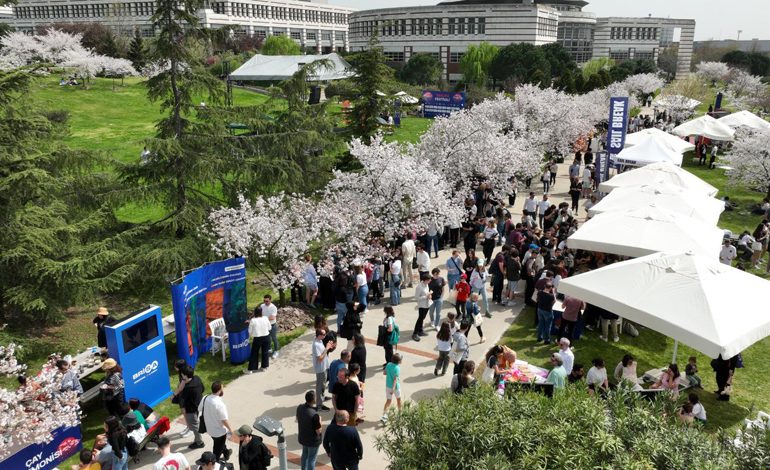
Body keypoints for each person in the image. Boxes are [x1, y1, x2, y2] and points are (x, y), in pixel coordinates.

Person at [199, 381, 234, 461]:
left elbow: (199, 409)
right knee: (216, 450)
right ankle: (214, 462)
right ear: (219, 390)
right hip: (219, 432)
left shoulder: (205, 398)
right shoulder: (220, 404)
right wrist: (231, 429)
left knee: (219, 444)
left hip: (209, 429)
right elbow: (224, 419)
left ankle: (226, 452)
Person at [174, 365, 205, 449]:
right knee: (195, 424)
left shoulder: (187, 388)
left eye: (182, 374)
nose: (181, 375)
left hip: (191, 410)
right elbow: (203, 389)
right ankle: (197, 439)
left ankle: (199, 442)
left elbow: (182, 400)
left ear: (185, 376)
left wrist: (174, 396)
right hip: (198, 405)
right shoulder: (197, 379)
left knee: (195, 426)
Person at [297, 391, 323, 470]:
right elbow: (319, 431)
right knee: (312, 459)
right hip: (312, 441)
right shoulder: (314, 415)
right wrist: (320, 421)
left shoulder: (300, 407)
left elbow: (298, 419)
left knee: (304, 454)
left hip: (303, 437)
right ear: (313, 400)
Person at [312, 328, 334, 412]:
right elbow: (320, 358)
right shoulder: (316, 345)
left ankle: (322, 397)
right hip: (320, 369)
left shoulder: (320, 341)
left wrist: (329, 346)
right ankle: (319, 406)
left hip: (324, 367)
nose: (325, 336)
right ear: (319, 335)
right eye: (324, 334)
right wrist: (327, 348)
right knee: (320, 386)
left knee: (323, 385)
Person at [247, 307, 272, 373]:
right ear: (261, 312)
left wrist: (251, 335)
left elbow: (250, 331)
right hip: (266, 337)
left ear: (255, 312)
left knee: (254, 353)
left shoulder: (253, 320)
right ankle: (264, 367)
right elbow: (269, 328)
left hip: (257, 338)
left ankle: (251, 369)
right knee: (265, 352)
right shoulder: (265, 318)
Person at [381, 353, 402, 423]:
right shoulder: (397, 368)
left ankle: (384, 415)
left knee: (388, 401)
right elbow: (395, 379)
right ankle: (400, 414)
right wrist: (393, 388)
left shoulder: (389, 364)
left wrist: (389, 373)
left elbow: (384, 373)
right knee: (399, 400)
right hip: (396, 387)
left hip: (388, 386)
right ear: (398, 361)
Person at [258, 295, 280, 359]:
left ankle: (276, 351)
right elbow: (260, 313)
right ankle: (269, 349)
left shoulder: (273, 307)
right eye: (264, 301)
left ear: (270, 300)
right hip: (265, 325)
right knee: (267, 338)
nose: (265, 302)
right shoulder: (262, 306)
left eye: (267, 301)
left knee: (274, 338)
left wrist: (263, 318)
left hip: (272, 325)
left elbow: (272, 317)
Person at [413, 274, 431, 342]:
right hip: (422, 305)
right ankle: (415, 333)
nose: (430, 281)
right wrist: (426, 297)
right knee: (420, 319)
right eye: (429, 280)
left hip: (427, 304)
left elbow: (427, 293)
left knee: (422, 318)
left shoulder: (426, 285)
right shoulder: (419, 287)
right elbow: (416, 298)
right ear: (425, 280)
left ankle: (420, 331)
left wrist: (429, 296)